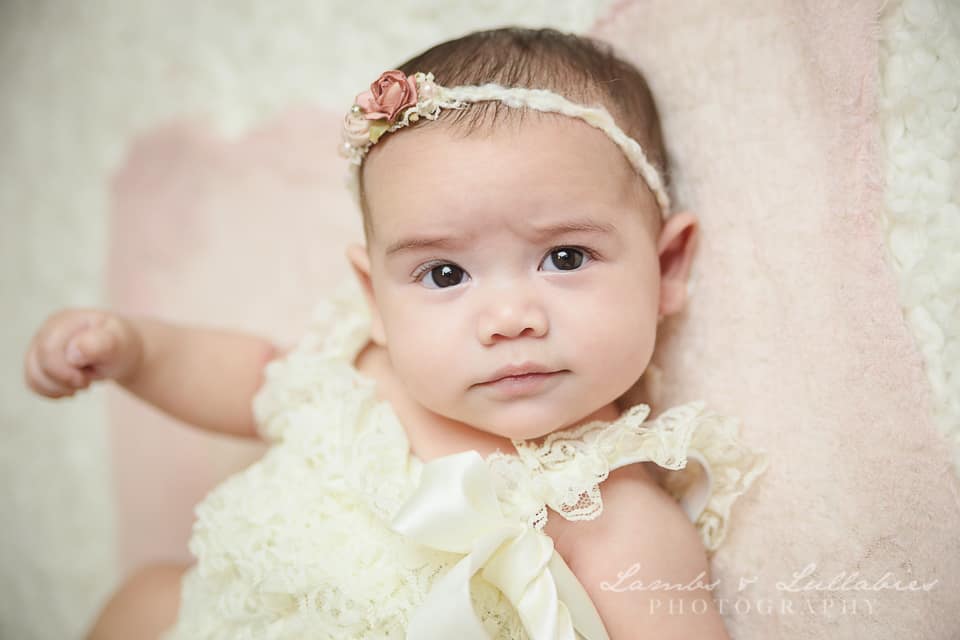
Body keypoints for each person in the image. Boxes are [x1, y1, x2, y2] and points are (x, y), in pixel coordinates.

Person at [24, 27, 768, 640]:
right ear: (373, 296)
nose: (509, 319)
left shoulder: (608, 508)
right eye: (445, 275)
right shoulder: (359, 368)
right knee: (144, 598)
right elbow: (247, 379)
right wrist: (135, 350)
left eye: (565, 258)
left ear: (667, 266)